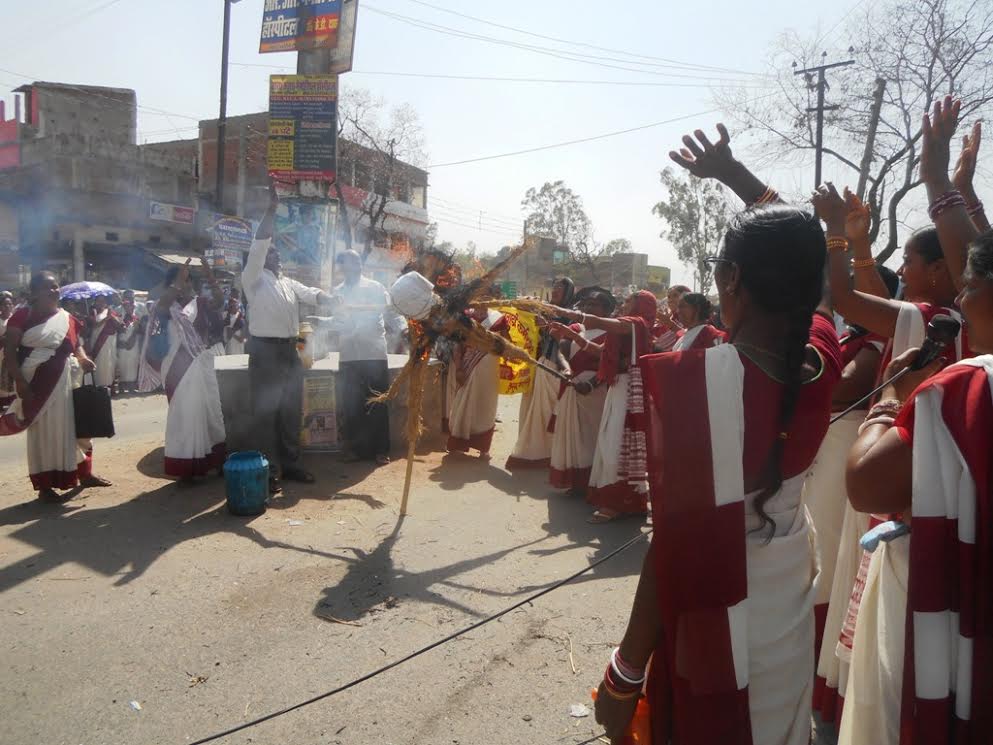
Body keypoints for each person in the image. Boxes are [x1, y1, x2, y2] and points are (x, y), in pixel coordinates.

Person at [594, 124, 841, 745]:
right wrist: (739, 178)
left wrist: (624, 674)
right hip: (784, 607)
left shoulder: (703, 385)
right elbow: (820, 272)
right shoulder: (821, 356)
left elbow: (673, 549)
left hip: (716, 614)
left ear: (730, 280)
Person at [833, 96, 987, 745]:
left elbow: (866, 482)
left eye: (911, 264)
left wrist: (891, 397)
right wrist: (944, 181)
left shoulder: (964, 371)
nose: (903, 273)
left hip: (926, 536)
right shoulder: (932, 326)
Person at [242, 186, 338, 490]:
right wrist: (271, 211)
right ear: (261, 259)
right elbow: (259, 246)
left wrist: (327, 298)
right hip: (265, 351)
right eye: (274, 253)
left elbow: (310, 294)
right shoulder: (253, 279)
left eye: (278, 253)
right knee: (266, 412)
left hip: (288, 351)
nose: (278, 255)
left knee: (291, 409)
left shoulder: (286, 282)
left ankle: (291, 464)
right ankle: (267, 471)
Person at [0, 272, 111, 502]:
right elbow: (10, 352)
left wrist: (82, 358)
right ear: (35, 292)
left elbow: (75, 345)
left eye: (56, 286)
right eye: (48, 287)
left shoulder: (67, 317)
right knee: (45, 434)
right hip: (37, 385)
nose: (54, 291)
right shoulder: (21, 316)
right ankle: (45, 486)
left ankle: (85, 473)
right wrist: (20, 382)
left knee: (77, 429)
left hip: (69, 381)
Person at [550, 289, 658, 523]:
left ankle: (614, 504)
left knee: (615, 444)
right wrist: (571, 334)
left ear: (641, 306)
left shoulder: (636, 323)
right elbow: (600, 352)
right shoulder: (627, 327)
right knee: (612, 443)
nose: (625, 303)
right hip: (617, 387)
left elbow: (598, 321)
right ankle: (624, 501)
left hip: (627, 389)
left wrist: (563, 312)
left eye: (630, 300)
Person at [138, 260, 226, 483]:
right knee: (185, 415)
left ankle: (214, 461)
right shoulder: (165, 305)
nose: (186, 284)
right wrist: (177, 283)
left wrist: (211, 278)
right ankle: (186, 468)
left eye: (187, 280)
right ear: (172, 283)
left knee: (210, 413)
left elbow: (220, 301)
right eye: (182, 280)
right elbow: (161, 308)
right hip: (176, 368)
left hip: (201, 364)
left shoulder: (201, 303)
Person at [328, 249, 401, 465]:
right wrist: (333, 326)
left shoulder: (375, 287)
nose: (355, 266)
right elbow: (336, 320)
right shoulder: (337, 291)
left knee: (378, 400)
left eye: (358, 262)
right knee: (351, 403)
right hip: (349, 354)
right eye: (350, 262)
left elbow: (391, 312)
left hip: (373, 352)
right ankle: (355, 449)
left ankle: (381, 449)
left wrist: (403, 329)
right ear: (342, 266)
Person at [547, 290, 614, 495]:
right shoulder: (575, 328)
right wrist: (566, 368)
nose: (587, 309)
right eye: (584, 305)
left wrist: (592, 384)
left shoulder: (612, 332)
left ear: (606, 310)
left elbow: (610, 363)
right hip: (572, 385)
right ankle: (576, 482)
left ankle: (593, 483)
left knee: (593, 437)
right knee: (574, 438)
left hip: (597, 392)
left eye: (593, 305)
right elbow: (562, 350)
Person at [505, 277, 575, 471]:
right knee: (533, 408)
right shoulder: (546, 309)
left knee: (547, 411)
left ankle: (548, 453)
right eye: (554, 287)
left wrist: (547, 326)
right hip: (539, 362)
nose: (555, 291)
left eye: (560, 289)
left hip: (555, 366)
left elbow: (567, 337)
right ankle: (536, 450)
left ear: (568, 292)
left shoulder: (573, 314)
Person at [443, 308, 503, 459]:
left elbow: (504, 344)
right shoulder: (466, 316)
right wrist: (459, 368)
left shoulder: (498, 319)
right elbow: (457, 344)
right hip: (467, 366)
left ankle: (483, 448)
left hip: (489, 368)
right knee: (462, 403)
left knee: (486, 406)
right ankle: (457, 444)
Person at [88, 294, 121, 391]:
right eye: (99, 301)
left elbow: (119, 325)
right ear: (95, 302)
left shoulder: (110, 311)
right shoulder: (92, 312)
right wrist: (106, 318)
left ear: (106, 302)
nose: (101, 303)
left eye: (103, 301)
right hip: (97, 341)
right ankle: (99, 386)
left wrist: (112, 316)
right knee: (99, 362)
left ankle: (109, 386)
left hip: (109, 342)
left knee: (109, 363)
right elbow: (94, 325)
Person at [115, 290, 145, 395]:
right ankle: (122, 387)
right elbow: (114, 327)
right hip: (122, 340)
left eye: (131, 298)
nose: (129, 300)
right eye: (126, 298)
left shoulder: (141, 307)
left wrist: (137, 330)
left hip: (136, 340)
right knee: (122, 363)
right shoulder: (117, 309)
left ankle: (132, 387)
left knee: (133, 362)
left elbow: (145, 325)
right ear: (123, 298)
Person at [653, 285, 690, 352]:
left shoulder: (692, 319)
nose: (670, 300)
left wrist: (670, 324)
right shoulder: (668, 319)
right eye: (669, 297)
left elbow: (690, 337)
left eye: (675, 295)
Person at [0, 290, 16, 408]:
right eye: (5, 304)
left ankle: (12, 404)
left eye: (10, 304)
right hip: (1, 355)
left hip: (13, 354)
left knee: (13, 378)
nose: (8, 306)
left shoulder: (15, 319)